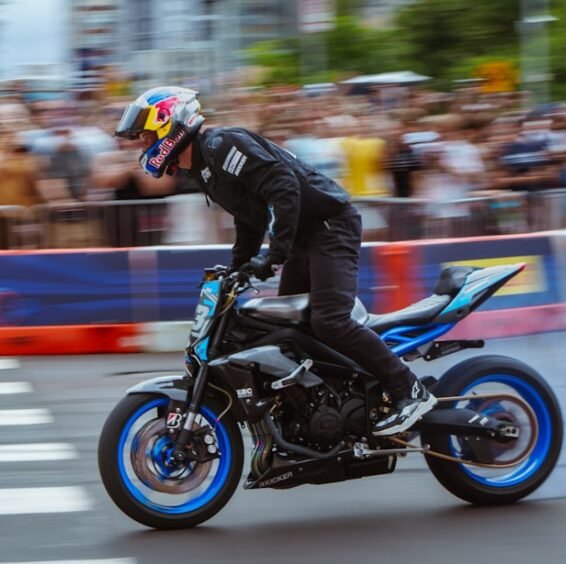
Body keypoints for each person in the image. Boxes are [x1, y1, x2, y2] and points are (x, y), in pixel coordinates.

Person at [114, 86, 436, 436]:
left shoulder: (222, 145)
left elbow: (283, 187)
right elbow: (248, 219)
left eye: (145, 136)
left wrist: (274, 256)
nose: (142, 146)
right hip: (303, 237)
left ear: (168, 124)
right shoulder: (204, 169)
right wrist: (238, 267)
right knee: (287, 330)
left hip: (329, 227)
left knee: (330, 320)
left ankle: (409, 389)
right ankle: (340, 405)